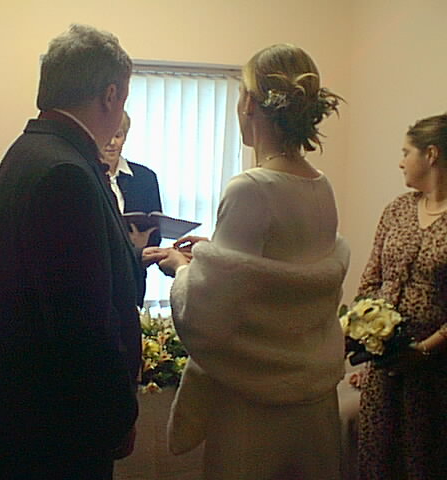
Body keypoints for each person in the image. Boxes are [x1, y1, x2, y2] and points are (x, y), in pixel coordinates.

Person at [0, 25, 164, 480]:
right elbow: (83, 323)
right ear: (111, 95)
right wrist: (116, 414)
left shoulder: (29, 151)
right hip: (61, 424)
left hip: (28, 404)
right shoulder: (67, 172)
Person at [157, 44, 349, 480]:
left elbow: (208, 314)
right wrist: (214, 256)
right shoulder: (322, 186)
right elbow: (281, 277)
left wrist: (182, 268)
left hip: (256, 402)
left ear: (248, 103)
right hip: (313, 397)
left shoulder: (251, 188)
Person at [356, 113, 447, 478]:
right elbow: (370, 281)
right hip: (384, 370)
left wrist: (423, 350)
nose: (400, 161)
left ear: (431, 154)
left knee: (424, 463)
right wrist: (367, 344)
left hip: (435, 374)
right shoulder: (397, 209)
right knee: (378, 461)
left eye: (406, 152)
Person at [102, 110, 163, 305]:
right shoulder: (86, 174)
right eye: (107, 135)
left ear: (125, 137)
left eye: (118, 135)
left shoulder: (145, 178)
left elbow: (156, 229)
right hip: (99, 276)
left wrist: (142, 244)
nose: (112, 142)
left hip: (134, 278)